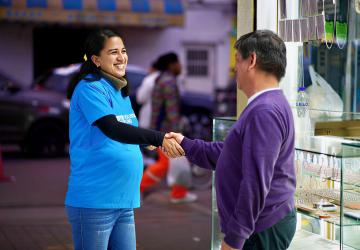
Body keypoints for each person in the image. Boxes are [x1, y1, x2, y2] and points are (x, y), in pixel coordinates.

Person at [166, 30, 297, 250]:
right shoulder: (265, 104)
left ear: (252, 60)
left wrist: (234, 240)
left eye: (238, 60)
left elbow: (255, 181)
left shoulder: (264, 110)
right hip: (261, 225)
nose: (235, 68)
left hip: (261, 228)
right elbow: (229, 153)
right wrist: (186, 144)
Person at [64, 29, 184, 250]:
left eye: (124, 51)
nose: (121, 57)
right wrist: (157, 138)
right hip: (95, 201)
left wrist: (145, 140)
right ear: (96, 59)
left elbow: (127, 128)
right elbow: (112, 128)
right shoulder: (90, 88)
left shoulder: (118, 87)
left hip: (123, 201)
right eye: (113, 52)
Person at [140, 52, 197, 203]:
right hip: (166, 131)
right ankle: (137, 188)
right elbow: (172, 111)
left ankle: (179, 193)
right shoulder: (169, 82)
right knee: (166, 164)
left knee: (175, 162)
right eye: (178, 62)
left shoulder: (161, 79)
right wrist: (177, 134)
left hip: (160, 130)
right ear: (171, 65)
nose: (180, 66)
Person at [136, 60, 160, 129]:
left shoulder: (149, 80)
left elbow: (140, 99)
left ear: (152, 68)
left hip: (147, 118)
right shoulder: (166, 78)